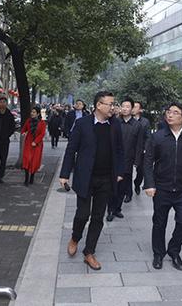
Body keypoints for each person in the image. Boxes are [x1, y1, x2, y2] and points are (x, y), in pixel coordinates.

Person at [60, 91, 124, 271]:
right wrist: (65, 174)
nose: (113, 107)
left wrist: (119, 171)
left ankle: (89, 252)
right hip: (85, 178)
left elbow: (119, 150)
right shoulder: (82, 124)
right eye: (110, 104)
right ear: (98, 105)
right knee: (82, 214)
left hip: (106, 179)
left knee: (98, 217)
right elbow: (71, 150)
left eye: (113, 103)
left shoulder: (115, 125)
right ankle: (75, 237)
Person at [144, 103, 182, 271]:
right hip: (161, 187)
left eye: (175, 113)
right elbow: (147, 162)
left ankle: (174, 250)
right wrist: (149, 184)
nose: (170, 115)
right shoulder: (158, 137)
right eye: (169, 112)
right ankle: (158, 253)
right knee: (159, 222)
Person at [107, 97, 141, 221]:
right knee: (113, 186)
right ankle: (110, 209)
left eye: (128, 106)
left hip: (128, 160)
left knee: (123, 187)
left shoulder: (137, 125)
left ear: (132, 109)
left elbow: (139, 144)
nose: (125, 108)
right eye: (123, 106)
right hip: (114, 160)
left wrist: (137, 161)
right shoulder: (114, 122)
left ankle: (117, 209)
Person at [21, 106, 47, 186]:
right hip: (28, 143)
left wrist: (35, 142)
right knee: (27, 159)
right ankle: (26, 179)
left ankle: (32, 176)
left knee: (34, 161)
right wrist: (23, 133)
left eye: (34, 112)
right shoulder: (28, 121)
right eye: (31, 112)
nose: (32, 113)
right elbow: (23, 129)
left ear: (38, 113)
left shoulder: (42, 123)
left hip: (37, 144)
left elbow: (42, 134)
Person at [132, 101, 151, 195]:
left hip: (141, 151)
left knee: (141, 171)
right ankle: (128, 193)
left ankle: (137, 183)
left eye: (135, 107)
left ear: (140, 110)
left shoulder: (145, 122)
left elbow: (148, 137)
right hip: (129, 150)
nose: (133, 108)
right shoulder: (127, 120)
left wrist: (145, 148)